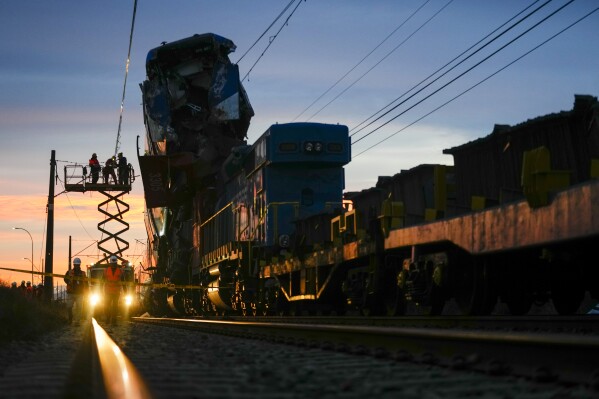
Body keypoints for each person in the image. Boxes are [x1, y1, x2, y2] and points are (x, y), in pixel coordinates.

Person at [64, 258, 88, 325]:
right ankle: (70, 318)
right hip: (71, 293)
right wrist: (68, 281)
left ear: (79, 265)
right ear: (73, 265)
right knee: (69, 306)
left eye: (78, 265)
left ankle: (77, 321)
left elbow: (86, 283)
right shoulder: (69, 272)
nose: (77, 266)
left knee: (79, 308)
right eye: (75, 265)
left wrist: (87, 292)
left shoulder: (83, 273)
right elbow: (65, 279)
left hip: (80, 293)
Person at [104, 255, 123, 325]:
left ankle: (114, 320)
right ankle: (108, 318)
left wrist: (125, 291)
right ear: (110, 263)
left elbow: (123, 281)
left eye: (115, 263)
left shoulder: (120, 271)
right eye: (113, 263)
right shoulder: (106, 270)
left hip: (116, 292)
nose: (114, 265)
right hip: (108, 291)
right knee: (107, 306)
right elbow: (102, 280)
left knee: (115, 307)